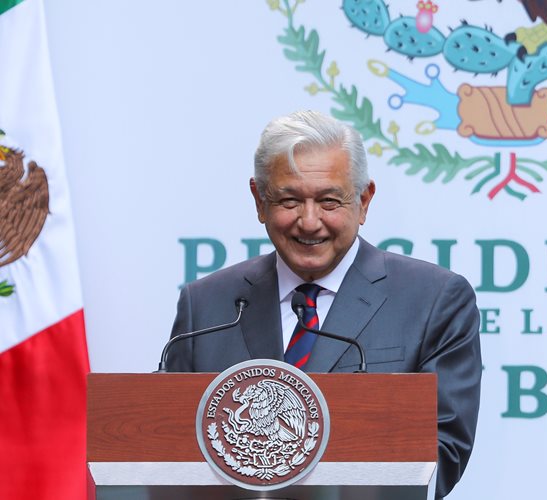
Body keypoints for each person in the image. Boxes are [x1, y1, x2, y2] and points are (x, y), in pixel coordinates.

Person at [167, 110, 482, 499]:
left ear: (363, 201)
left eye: (329, 201)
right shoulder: (206, 305)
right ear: (259, 200)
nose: (309, 221)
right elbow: (167, 447)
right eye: (289, 200)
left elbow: (442, 452)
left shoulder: (434, 300)